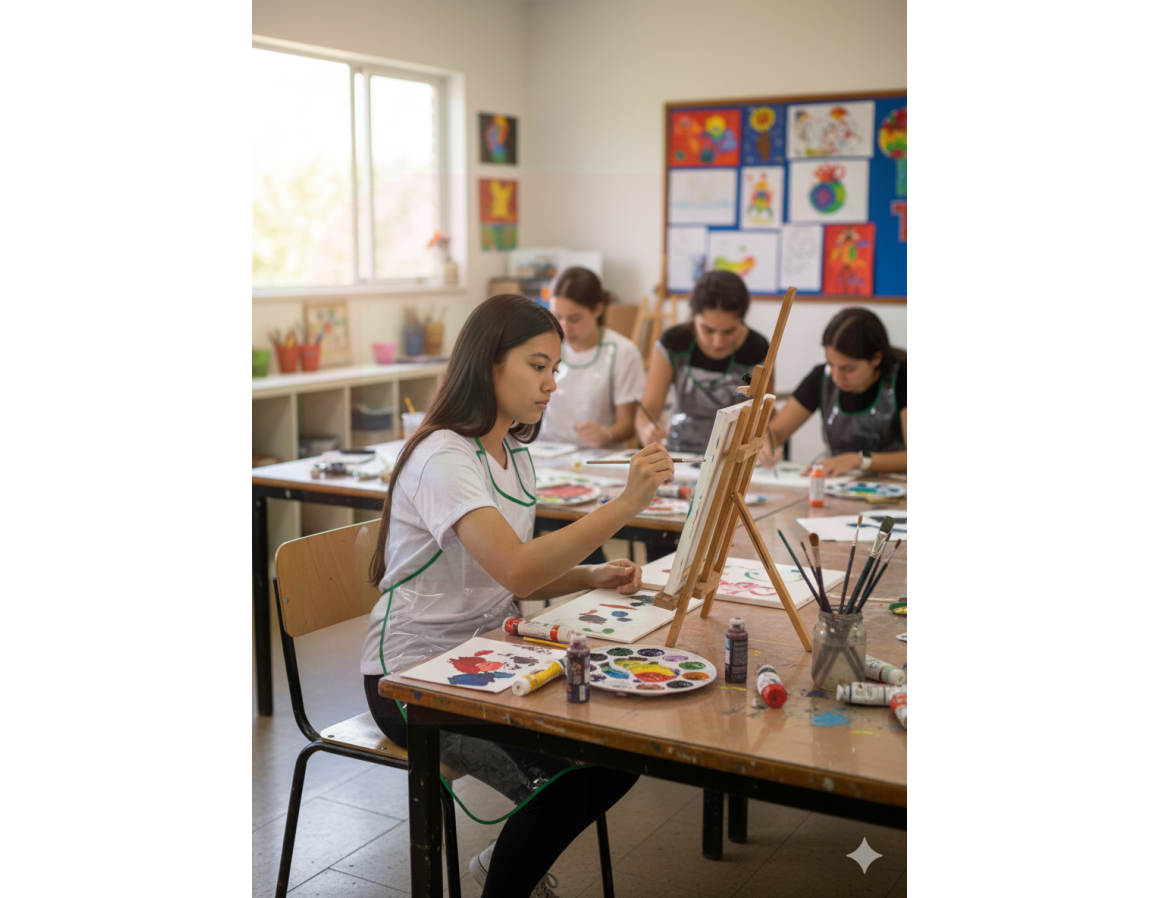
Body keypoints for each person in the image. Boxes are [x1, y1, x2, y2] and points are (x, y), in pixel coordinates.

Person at [361, 294, 674, 898]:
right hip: (410, 679)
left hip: (488, 658)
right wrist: (626, 504)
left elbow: (508, 573)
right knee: (561, 785)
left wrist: (588, 576)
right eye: (537, 366)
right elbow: (518, 571)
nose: (552, 383)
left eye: (556, 368)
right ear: (489, 364)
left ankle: (497, 871)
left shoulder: (515, 455)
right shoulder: (443, 455)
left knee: (620, 754)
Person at [636, 270, 770, 455]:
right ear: (695, 317)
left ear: (741, 320)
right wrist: (648, 429)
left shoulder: (756, 350)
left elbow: (762, 412)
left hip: (732, 456)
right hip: (679, 452)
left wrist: (766, 442)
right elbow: (648, 410)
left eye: (729, 332)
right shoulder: (674, 344)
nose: (717, 342)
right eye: (708, 330)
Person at [761, 306, 906, 476]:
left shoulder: (903, 377)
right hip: (838, 484)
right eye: (831, 364)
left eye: (848, 369)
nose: (837, 377)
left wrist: (858, 460)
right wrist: (766, 445)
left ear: (876, 358)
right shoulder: (822, 377)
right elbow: (776, 432)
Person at [538, 267, 646, 448]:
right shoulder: (543, 345)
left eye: (574, 319)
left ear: (597, 309)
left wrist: (606, 434)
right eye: (558, 316)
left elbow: (628, 424)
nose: (564, 327)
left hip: (595, 454)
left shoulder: (623, 353)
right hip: (545, 449)